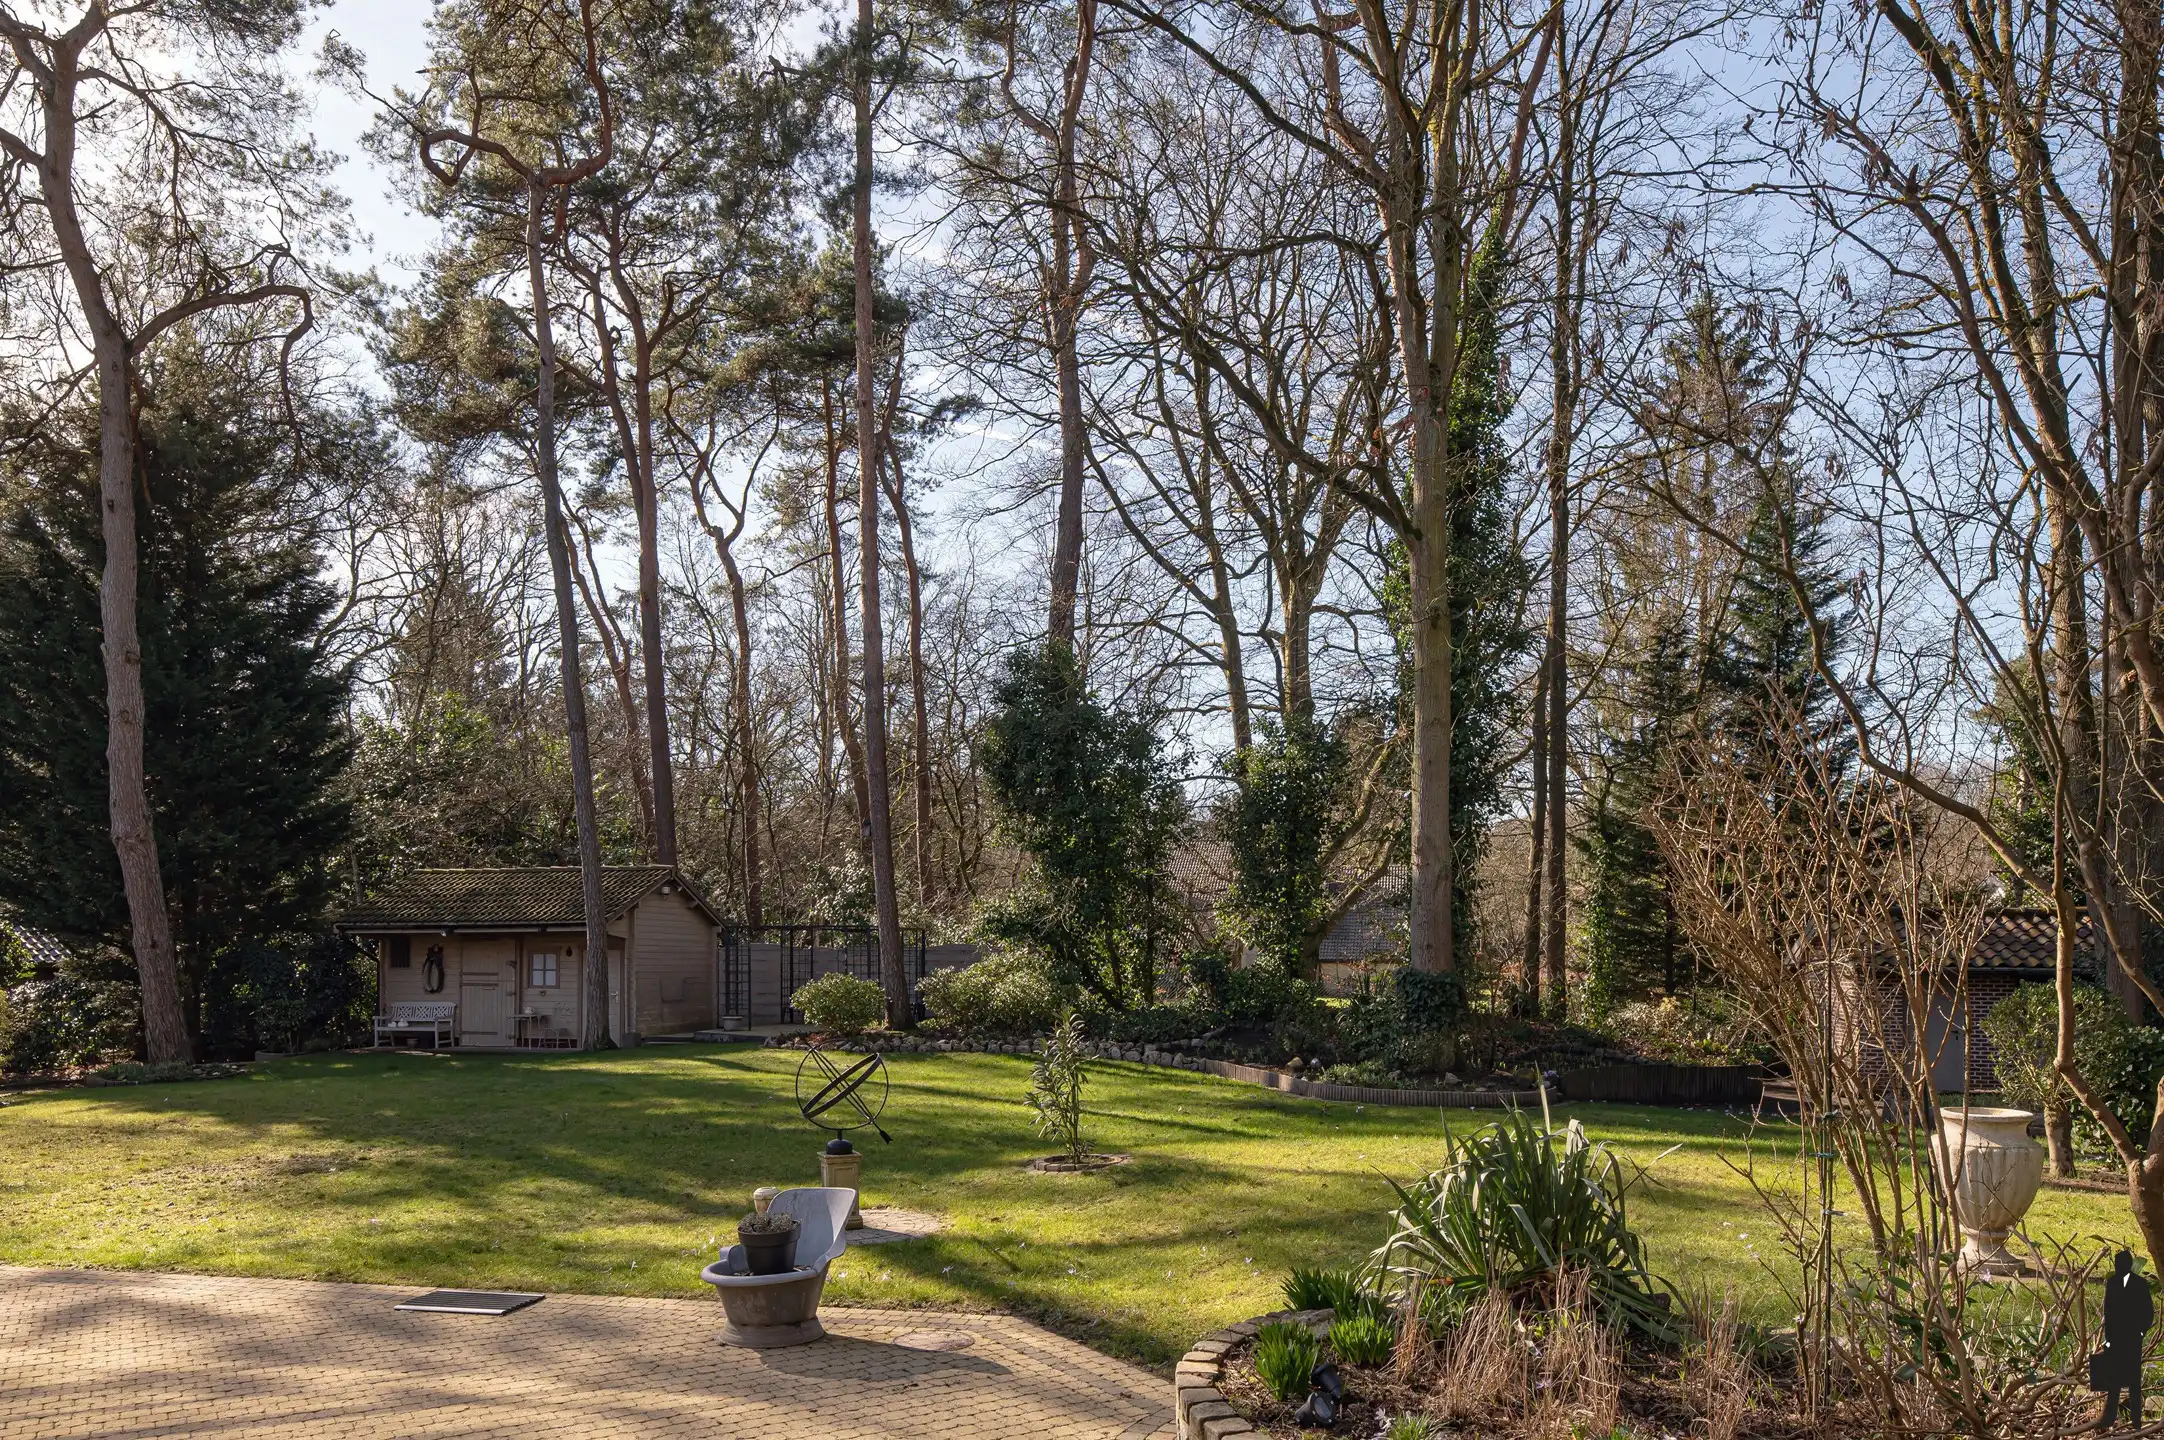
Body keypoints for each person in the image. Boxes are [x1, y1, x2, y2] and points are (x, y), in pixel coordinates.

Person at [2098, 1250, 2154, 1428]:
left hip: (2132, 1339)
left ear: (2129, 1265)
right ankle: (2109, 1419)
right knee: (2113, 1381)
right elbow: (2108, 1312)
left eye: (2120, 1264)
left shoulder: (2140, 1284)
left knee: (2134, 1381)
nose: (2117, 1267)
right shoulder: (2112, 1282)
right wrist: (2107, 1338)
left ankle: (2136, 1421)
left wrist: (2141, 1332)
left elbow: (2148, 1311)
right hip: (2115, 1339)